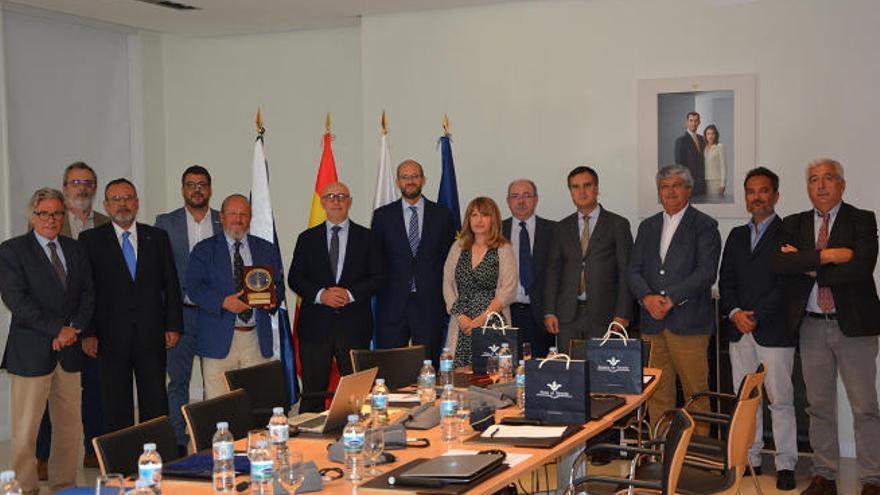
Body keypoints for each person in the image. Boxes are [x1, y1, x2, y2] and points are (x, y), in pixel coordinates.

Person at [775, 159, 880, 495]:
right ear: (807, 187)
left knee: (864, 406)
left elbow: (860, 271)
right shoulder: (794, 223)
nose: (820, 186)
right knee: (818, 406)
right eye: (813, 180)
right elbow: (781, 264)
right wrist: (829, 256)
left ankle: (872, 478)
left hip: (855, 328)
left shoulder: (862, 220)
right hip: (811, 326)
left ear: (842, 185)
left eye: (828, 178)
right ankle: (824, 475)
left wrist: (807, 262)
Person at [0, 188, 94, 494]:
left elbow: (88, 295)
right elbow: (17, 300)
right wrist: (57, 330)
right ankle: (25, 488)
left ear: (63, 216)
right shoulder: (13, 251)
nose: (51, 219)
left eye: (56, 213)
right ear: (32, 216)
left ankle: (64, 486)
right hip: (30, 353)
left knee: (69, 428)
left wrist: (72, 329)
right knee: (26, 432)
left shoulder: (75, 248)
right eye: (44, 213)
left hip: (68, 353)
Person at [79, 178, 182, 434]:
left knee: (155, 402)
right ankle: (121, 465)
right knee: (115, 405)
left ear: (136, 203)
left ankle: (157, 458)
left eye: (127, 198)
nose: (122, 204)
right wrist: (88, 332)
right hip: (109, 338)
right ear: (105, 205)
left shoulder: (156, 237)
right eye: (116, 199)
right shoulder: (90, 240)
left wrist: (173, 325)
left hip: (152, 335)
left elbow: (170, 284)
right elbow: (85, 290)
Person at [719, 167, 797, 491]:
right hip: (740, 330)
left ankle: (785, 463)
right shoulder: (737, 235)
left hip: (774, 329)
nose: (757, 197)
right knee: (746, 400)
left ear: (775, 196)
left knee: (780, 399)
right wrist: (736, 312)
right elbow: (727, 280)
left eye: (763, 191)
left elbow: (786, 284)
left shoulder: (790, 233)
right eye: (751, 191)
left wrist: (757, 315)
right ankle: (750, 457)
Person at [627, 164, 720, 431]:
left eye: (676, 185)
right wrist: (646, 298)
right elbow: (633, 270)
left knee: (697, 395)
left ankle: (698, 456)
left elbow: (706, 273)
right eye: (664, 187)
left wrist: (669, 299)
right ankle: (662, 453)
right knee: (657, 393)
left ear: (688, 190)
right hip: (652, 324)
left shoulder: (704, 225)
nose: (670, 192)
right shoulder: (648, 226)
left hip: (689, 324)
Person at [35, 162, 110, 475]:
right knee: (50, 393)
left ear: (94, 187)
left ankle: (93, 449)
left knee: (96, 387)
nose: (82, 187)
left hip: (96, 319)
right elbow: (39, 274)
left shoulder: (106, 222)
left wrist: (87, 326)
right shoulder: (49, 221)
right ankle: (42, 455)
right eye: (75, 181)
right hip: (57, 325)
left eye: (88, 182)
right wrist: (61, 326)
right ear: (65, 187)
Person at [289, 182, 381, 412]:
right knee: (312, 393)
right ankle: (309, 443)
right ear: (323, 202)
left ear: (349, 202)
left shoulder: (368, 238)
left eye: (342, 197)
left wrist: (350, 294)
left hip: (354, 326)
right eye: (331, 196)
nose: (336, 201)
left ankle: (357, 441)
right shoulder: (307, 238)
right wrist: (321, 295)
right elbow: (295, 278)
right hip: (315, 328)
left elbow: (380, 276)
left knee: (357, 394)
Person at [187, 194, 284, 399]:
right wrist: (223, 302)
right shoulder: (204, 250)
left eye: (243, 214)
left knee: (256, 402)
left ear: (250, 218)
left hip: (256, 339)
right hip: (218, 338)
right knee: (219, 405)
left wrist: (273, 299)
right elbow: (193, 288)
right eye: (232, 213)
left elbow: (278, 284)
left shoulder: (265, 248)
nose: (238, 219)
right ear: (221, 217)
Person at [154, 165, 222, 454]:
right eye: (191, 184)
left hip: (215, 315)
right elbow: (156, 271)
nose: (197, 189)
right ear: (183, 189)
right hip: (179, 314)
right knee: (178, 380)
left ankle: (209, 438)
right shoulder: (165, 222)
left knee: (214, 380)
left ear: (210, 189)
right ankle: (178, 442)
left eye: (202, 184)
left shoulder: (223, 220)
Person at [371, 159, 457, 365]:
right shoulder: (382, 216)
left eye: (415, 176)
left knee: (428, 367)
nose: (410, 181)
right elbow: (375, 259)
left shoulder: (442, 215)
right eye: (405, 177)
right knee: (390, 368)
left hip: (430, 303)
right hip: (392, 304)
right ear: (398, 182)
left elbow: (450, 259)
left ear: (423, 179)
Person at [544, 166, 633, 354]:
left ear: (597, 188)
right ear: (570, 192)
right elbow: (553, 272)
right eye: (575, 187)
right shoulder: (561, 228)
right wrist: (550, 311)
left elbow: (626, 273)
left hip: (606, 315)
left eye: (587, 185)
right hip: (567, 315)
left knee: (603, 374)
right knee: (571, 373)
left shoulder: (618, 224)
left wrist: (623, 313)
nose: (581, 192)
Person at [442, 197, 517, 367]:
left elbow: (508, 289)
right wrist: (460, 317)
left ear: (494, 219)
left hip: (493, 323)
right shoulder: (458, 247)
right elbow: (447, 283)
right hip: (462, 324)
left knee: (493, 377)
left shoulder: (503, 248)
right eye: (474, 215)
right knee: (460, 378)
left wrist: (483, 318)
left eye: (484, 215)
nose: (479, 220)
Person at [501, 179, 554, 358]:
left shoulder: (553, 230)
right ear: (508, 201)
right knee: (506, 369)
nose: (521, 201)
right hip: (506, 312)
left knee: (540, 370)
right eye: (515, 196)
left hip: (540, 315)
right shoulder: (497, 230)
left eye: (526, 195)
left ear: (536, 199)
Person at [673, 111, 706, 196]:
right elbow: (679, 166)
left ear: (699, 123)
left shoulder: (702, 139)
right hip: (689, 183)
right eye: (691, 120)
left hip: (702, 183)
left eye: (696, 121)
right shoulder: (681, 141)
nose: (693, 123)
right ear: (687, 122)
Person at [703, 124, 727, 198]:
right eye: (708, 134)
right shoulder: (704, 148)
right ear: (705, 135)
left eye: (713, 133)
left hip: (716, 181)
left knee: (715, 203)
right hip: (704, 182)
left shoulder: (719, 146)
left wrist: (722, 184)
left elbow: (723, 166)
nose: (710, 136)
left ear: (716, 135)